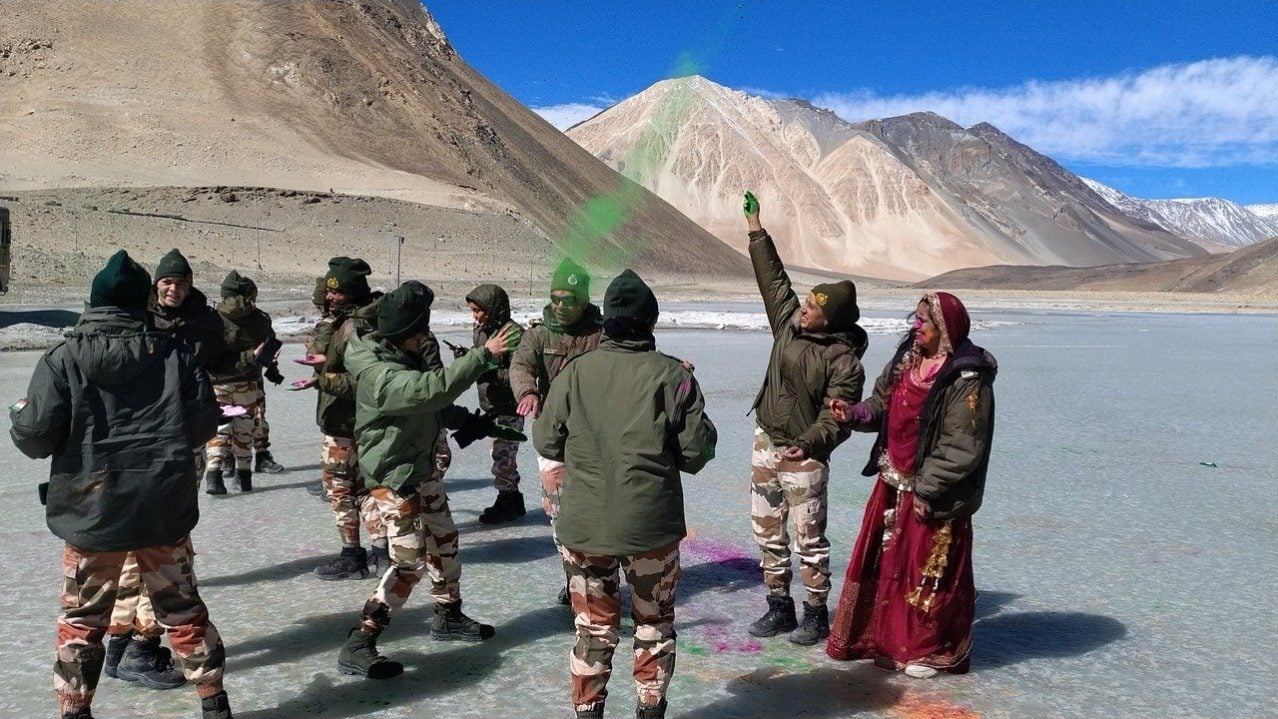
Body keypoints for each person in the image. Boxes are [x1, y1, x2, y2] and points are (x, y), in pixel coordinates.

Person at [10, 250, 233, 719]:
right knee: (184, 611)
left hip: (92, 513)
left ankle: (75, 710)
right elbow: (202, 426)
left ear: (94, 302)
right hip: (162, 511)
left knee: (81, 620)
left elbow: (35, 439)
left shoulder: (62, 359)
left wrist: (19, 415)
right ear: (143, 301)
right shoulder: (176, 355)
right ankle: (214, 704)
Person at [534, 269, 717, 719]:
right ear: (650, 322)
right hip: (649, 528)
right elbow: (697, 453)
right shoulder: (673, 376)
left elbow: (545, 440)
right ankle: (650, 710)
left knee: (593, 628)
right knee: (653, 624)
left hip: (585, 526)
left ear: (606, 322)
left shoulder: (575, 373)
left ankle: (588, 711)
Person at [337, 281, 515, 678]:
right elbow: (424, 392)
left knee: (445, 542)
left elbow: (431, 405)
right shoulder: (382, 374)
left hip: (420, 468)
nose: (426, 337)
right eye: (422, 331)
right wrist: (482, 357)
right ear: (407, 334)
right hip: (394, 475)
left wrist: (469, 422)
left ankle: (448, 615)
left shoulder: (404, 354)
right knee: (409, 562)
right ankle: (361, 640)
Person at [825, 292, 996, 678]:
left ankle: (926, 650)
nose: (916, 327)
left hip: (934, 493)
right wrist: (854, 413)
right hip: (893, 480)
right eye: (915, 319)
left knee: (926, 570)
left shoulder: (966, 377)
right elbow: (881, 403)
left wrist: (926, 488)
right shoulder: (908, 359)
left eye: (924, 321)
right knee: (889, 564)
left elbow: (963, 444)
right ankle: (885, 641)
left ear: (945, 329)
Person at [100, 247, 241, 690]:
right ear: (155, 285)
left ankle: (121, 647)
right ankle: (134, 644)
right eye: (167, 281)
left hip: (182, 442)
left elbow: (224, 360)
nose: (173, 288)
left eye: (180, 282)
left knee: (148, 543)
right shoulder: (136, 321)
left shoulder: (205, 321)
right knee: (156, 547)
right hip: (147, 445)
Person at [742, 191, 867, 646]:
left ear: (828, 319)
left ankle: (816, 613)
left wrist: (810, 443)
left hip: (805, 456)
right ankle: (780, 607)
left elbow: (837, 419)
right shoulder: (788, 323)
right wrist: (757, 229)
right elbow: (772, 280)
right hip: (766, 443)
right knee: (767, 532)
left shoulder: (843, 360)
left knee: (808, 540)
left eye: (813, 306)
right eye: (806, 302)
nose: (804, 307)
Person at [510, 258, 603, 603]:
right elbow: (520, 365)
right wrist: (528, 392)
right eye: (556, 298)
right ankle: (573, 580)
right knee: (560, 515)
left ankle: (597, 579)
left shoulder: (602, 335)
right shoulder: (539, 334)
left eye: (569, 299)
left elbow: (630, 360)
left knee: (596, 512)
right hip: (554, 439)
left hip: (596, 439)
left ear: (584, 299)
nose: (561, 306)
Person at [298, 257, 389, 579]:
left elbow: (366, 378)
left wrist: (323, 374)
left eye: (336, 292)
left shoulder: (354, 327)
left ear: (350, 293)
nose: (329, 297)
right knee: (365, 488)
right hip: (363, 421)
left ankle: (353, 554)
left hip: (344, 421)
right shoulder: (368, 320)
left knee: (339, 488)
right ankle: (381, 553)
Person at [204, 270, 283, 493]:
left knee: (220, 429)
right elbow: (270, 346)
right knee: (245, 429)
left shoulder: (212, 318)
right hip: (248, 384)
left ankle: (214, 476)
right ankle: (245, 478)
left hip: (217, 383)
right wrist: (271, 367)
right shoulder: (259, 319)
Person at [460, 283, 526, 523]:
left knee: (503, 455)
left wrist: (488, 372)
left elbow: (521, 373)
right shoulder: (481, 331)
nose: (475, 316)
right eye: (472, 311)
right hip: (491, 405)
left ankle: (507, 501)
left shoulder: (513, 334)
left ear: (492, 308)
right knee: (500, 455)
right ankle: (513, 499)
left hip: (510, 406)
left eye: (478, 310)